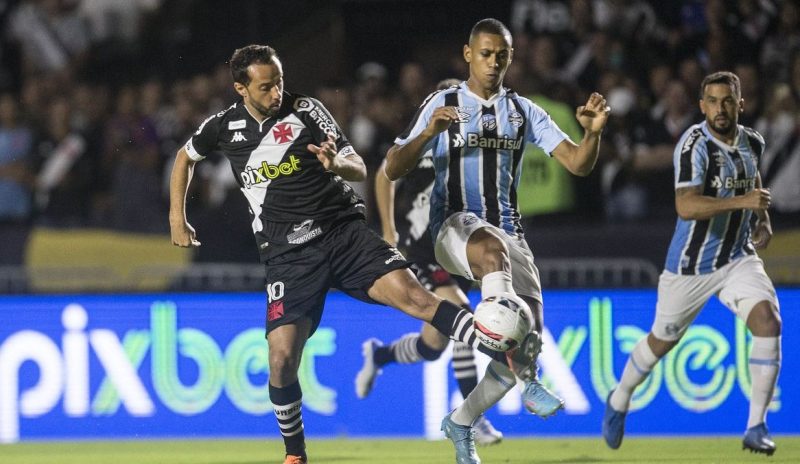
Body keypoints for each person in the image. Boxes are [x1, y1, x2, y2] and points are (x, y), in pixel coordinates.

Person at [169, 44, 534, 464]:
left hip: (343, 235)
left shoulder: (306, 110)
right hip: (289, 257)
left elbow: (358, 166)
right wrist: (177, 219)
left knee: (418, 299)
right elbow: (185, 157)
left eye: (280, 82)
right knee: (281, 358)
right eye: (266, 87)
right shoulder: (223, 126)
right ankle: (295, 454)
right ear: (241, 88)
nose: (276, 93)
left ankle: (502, 347)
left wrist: (335, 165)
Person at [384, 19, 610, 463]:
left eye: (501, 55)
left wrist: (594, 132)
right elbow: (392, 166)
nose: (493, 62)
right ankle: (527, 380)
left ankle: (462, 422)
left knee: (525, 339)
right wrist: (428, 133)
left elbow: (578, 164)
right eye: (485, 54)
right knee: (491, 255)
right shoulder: (443, 102)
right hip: (453, 227)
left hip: (510, 234)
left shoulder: (523, 111)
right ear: (468, 54)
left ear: (510, 58)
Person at [602, 71, 781, 456]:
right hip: (690, 267)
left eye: (727, 100)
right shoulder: (693, 145)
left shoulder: (752, 142)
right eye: (713, 101)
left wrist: (761, 220)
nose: (720, 108)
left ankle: (755, 426)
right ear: (702, 106)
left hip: (737, 258)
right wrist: (743, 203)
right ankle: (620, 397)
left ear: (740, 104)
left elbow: (754, 182)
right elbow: (686, 205)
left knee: (768, 321)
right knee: (660, 343)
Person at [356, 78, 503, 446]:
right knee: (460, 312)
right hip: (419, 247)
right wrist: (388, 229)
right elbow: (384, 176)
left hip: (454, 249)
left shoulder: (470, 150)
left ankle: (381, 355)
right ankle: (473, 419)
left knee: (434, 344)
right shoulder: (422, 142)